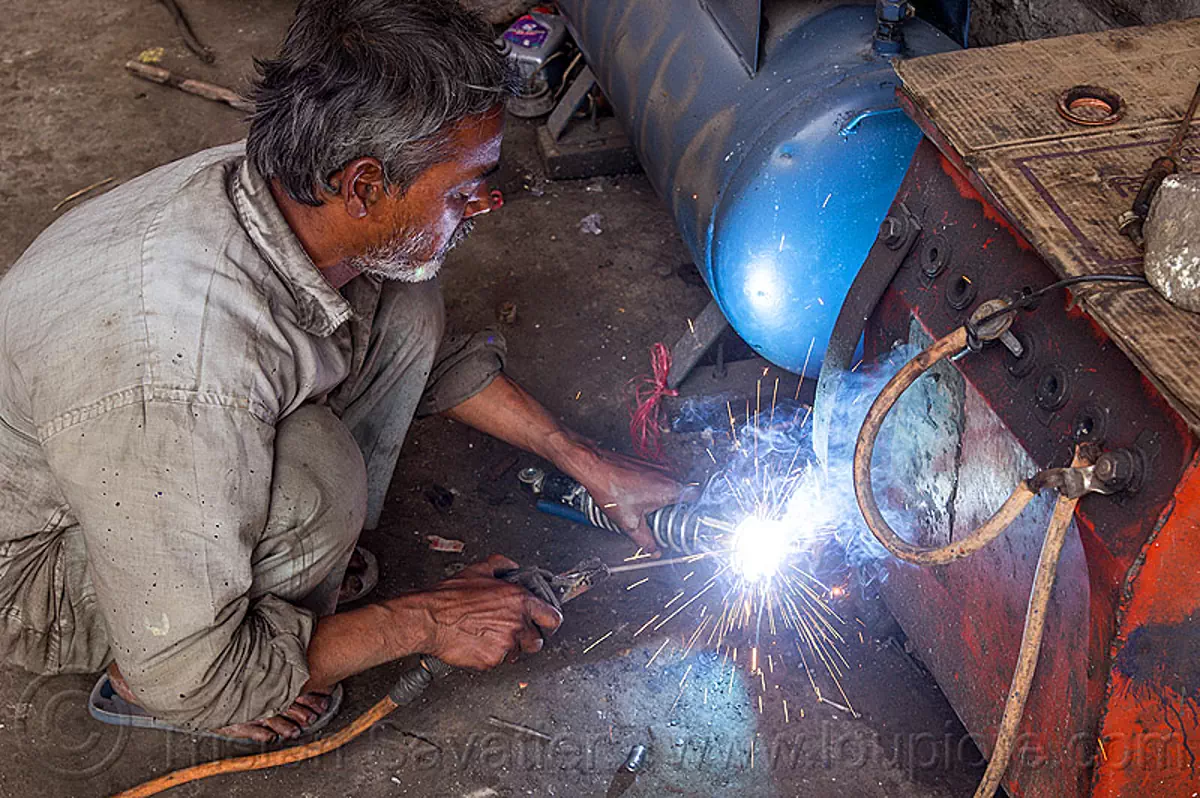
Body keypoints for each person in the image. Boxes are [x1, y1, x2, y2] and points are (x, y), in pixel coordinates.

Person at [0, 0, 679, 743]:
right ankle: (151, 682)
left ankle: (285, 588)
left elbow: (435, 358)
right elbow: (185, 659)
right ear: (363, 186)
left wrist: (582, 462)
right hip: (35, 573)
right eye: (461, 190)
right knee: (315, 486)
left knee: (408, 301)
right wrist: (427, 619)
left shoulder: (284, 192)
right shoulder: (182, 370)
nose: (487, 204)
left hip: (132, 447)